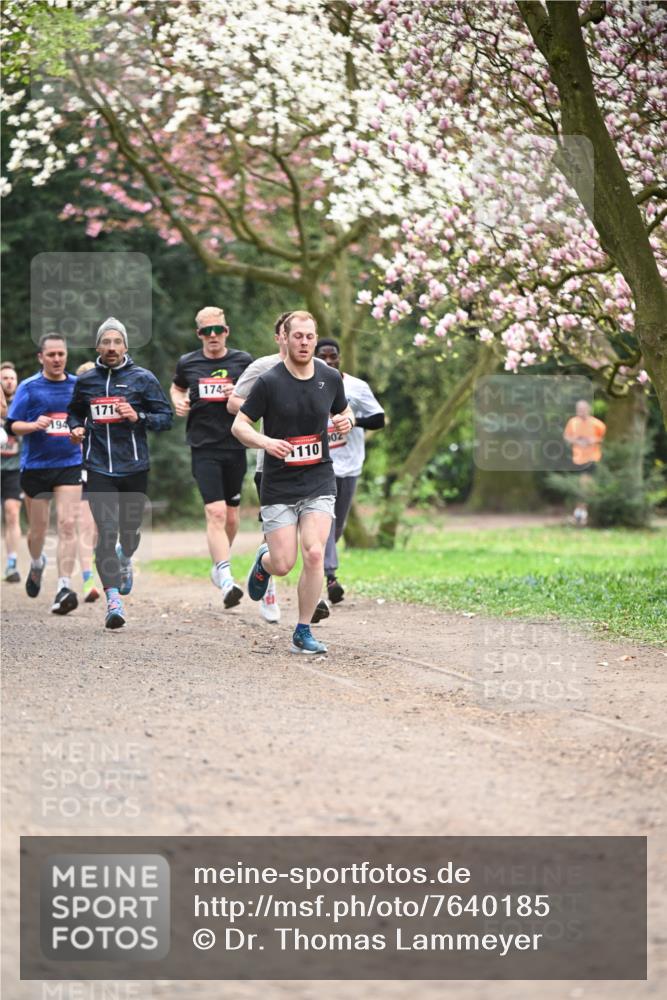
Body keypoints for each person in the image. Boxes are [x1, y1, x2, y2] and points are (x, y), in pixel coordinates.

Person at [232, 310, 354, 655]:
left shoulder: (330, 377)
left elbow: (344, 412)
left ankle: (302, 630)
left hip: (318, 478)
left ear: (316, 339)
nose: (304, 342)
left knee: (315, 553)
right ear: (284, 338)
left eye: (310, 337)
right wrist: (266, 442)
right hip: (279, 483)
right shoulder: (270, 382)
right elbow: (239, 425)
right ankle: (264, 562)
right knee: (283, 563)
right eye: (297, 336)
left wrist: (346, 421)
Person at [68, 318, 173, 628]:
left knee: (129, 532)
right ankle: (113, 599)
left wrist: (137, 415)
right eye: (106, 342)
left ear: (126, 345)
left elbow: (165, 418)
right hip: (98, 466)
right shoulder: (86, 381)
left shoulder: (142, 378)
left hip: (134, 466)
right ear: (98, 346)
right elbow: (74, 410)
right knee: (106, 530)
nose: (111, 347)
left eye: (117, 342)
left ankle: (126, 556)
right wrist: (75, 426)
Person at [170, 306, 253, 609]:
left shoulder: (243, 361)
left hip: (235, 443)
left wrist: (238, 397)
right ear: (199, 334)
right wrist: (178, 402)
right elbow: (177, 387)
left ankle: (219, 563)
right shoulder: (188, 363)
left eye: (218, 329)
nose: (213, 336)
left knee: (231, 516)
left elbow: (259, 395)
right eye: (207, 331)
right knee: (215, 513)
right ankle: (227, 579)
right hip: (203, 446)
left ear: (226, 331)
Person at [5, 335, 82, 614]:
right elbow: (12, 427)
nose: (57, 359)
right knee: (37, 530)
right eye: (51, 355)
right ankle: (37, 563)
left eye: (61, 353)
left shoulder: (77, 386)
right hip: (36, 467)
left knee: (67, 525)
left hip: (70, 463)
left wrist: (80, 432)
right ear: (41, 357)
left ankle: (63, 587)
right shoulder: (29, 387)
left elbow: (86, 421)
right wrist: (34, 424)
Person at [315, 338, 385, 604]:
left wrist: (353, 421)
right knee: (327, 519)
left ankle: (321, 557)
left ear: (340, 358)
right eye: (323, 356)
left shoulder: (356, 387)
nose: (329, 361)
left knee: (337, 526)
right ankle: (331, 577)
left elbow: (379, 418)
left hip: (351, 464)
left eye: (333, 356)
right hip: (322, 465)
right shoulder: (309, 384)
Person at [74, 362, 101, 602]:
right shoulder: (73, 408)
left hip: (108, 473)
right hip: (81, 471)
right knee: (85, 525)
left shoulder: (112, 402)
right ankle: (87, 580)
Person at [563, 399, 606, 526]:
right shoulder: (573, 422)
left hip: (593, 457)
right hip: (578, 458)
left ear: (588, 409)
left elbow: (604, 437)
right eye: (578, 409)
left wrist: (594, 440)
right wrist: (575, 440)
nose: (580, 412)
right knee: (581, 486)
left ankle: (581, 514)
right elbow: (566, 437)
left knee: (586, 485)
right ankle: (581, 513)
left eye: (583, 409)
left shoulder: (597, 423)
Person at [1, 362, 24, 582]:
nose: (8, 381)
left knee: (12, 512)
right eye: (4, 378)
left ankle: (11, 563)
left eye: (11, 378)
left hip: (14, 469)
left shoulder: (22, 404)